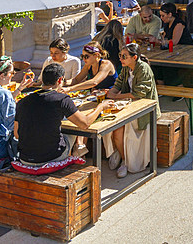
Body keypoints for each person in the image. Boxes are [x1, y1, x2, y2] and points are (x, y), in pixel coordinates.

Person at [15, 63, 108, 166]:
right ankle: (77, 154)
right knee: (72, 130)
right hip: (51, 158)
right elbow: (85, 123)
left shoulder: (22, 102)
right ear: (60, 80)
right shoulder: (62, 99)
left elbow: (17, 134)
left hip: (25, 158)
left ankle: (76, 154)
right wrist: (101, 107)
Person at [104, 43, 160, 178]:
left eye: (124, 56)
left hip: (144, 109)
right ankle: (118, 154)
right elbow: (118, 84)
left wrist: (115, 96)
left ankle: (126, 161)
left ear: (134, 57)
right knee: (108, 122)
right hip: (128, 105)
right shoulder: (126, 68)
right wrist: (109, 94)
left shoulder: (143, 69)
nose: (121, 59)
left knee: (119, 128)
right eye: (120, 56)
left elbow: (138, 94)